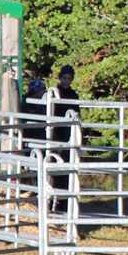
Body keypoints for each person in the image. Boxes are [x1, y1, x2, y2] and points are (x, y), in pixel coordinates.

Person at [45, 65, 81, 195]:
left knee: (68, 165)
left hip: (68, 134)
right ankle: (54, 195)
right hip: (55, 133)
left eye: (69, 78)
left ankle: (66, 197)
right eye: (64, 78)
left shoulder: (73, 95)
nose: (66, 81)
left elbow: (77, 115)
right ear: (60, 78)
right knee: (55, 164)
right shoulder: (54, 93)